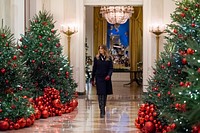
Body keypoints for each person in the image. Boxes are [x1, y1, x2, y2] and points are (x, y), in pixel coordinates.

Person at [91, 44, 113, 118]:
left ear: (104, 50)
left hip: (106, 78)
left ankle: (103, 106)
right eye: (99, 49)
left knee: (104, 94)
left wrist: (109, 75)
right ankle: (102, 110)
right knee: (100, 93)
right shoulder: (96, 58)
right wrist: (92, 78)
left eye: (102, 48)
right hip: (99, 77)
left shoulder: (109, 58)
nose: (100, 50)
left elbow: (111, 68)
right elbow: (94, 68)